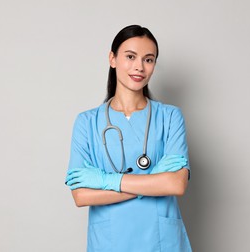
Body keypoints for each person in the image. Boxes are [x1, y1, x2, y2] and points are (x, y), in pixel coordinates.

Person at [65, 25, 192, 252]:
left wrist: (106, 180)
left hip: (161, 240)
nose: (139, 67)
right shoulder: (87, 122)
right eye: (130, 57)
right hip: (111, 241)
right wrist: (153, 180)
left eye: (148, 59)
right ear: (112, 59)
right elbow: (81, 195)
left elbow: (176, 183)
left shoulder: (170, 117)